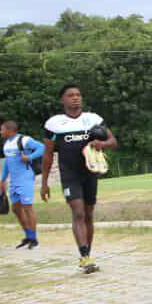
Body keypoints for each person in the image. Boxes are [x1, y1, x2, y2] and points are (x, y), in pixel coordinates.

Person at [41, 85, 117, 273]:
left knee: (89, 214)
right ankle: (84, 256)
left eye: (78, 95)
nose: (75, 98)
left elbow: (113, 142)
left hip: (90, 173)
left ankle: (87, 255)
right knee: (78, 212)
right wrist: (44, 183)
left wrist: (101, 143)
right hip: (69, 175)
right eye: (70, 95)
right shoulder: (54, 124)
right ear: (63, 100)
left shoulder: (93, 119)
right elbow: (48, 154)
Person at [0, 121, 45, 249]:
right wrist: (2, 180)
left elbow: (42, 147)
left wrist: (30, 157)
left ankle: (34, 238)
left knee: (27, 207)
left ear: (10, 130)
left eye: (2, 129)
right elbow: (7, 162)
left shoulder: (24, 140)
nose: (1, 132)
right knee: (16, 208)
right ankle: (28, 235)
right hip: (14, 180)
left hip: (25, 178)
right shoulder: (6, 144)